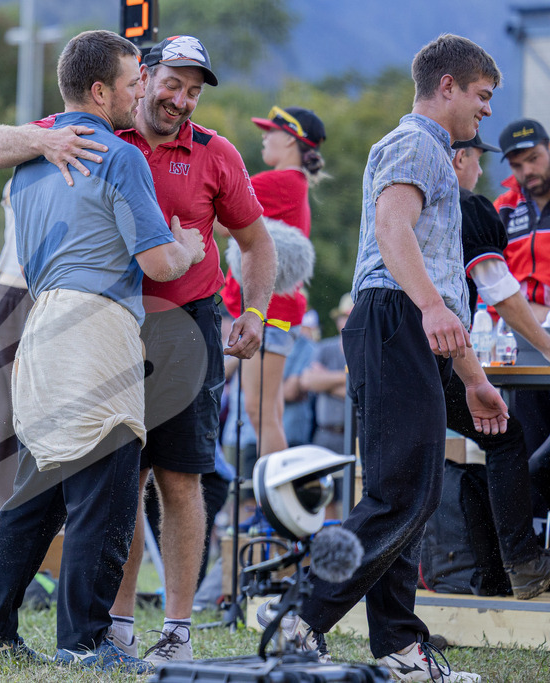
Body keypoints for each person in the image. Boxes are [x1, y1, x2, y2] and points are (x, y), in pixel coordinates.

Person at [0, 33, 276, 663]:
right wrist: (190, 251)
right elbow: (160, 261)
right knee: (107, 495)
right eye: (148, 82)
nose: (162, 95)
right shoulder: (110, 152)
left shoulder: (40, 155)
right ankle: (88, 644)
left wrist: (252, 308)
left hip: (48, 320)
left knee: (42, 486)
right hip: (102, 326)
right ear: (106, 90)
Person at [264, 35, 506, 682]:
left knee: (406, 491)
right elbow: (394, 232)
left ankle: (399, 642)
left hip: (403, 320)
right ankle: (300, 615)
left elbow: (442, 282)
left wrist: (475, 379)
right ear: (448, 85)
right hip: (396, 315)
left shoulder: (429, 149)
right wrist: (427, 308)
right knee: (405, 491)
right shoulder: (416, 143)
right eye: (482, 97)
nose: (485, 113)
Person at [443, 131, 550, 597]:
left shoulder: (400, 201)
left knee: (403, 472)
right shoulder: (476, 206)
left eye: (532, 158)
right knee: (508, 442)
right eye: (482, 161)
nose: (484, 172)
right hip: (453, 349)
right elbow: (500, 291)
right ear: (460, 158)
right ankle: (524, 566)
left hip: (383, 341)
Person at [221, 104, 326, 470]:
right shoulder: (292, 183)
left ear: (292, 139)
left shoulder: (278, 181)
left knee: (259, 410)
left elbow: (220, 220)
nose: (265, 135)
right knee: (269, 411)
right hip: (277, 313)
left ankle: (274, 510)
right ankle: (276, 509)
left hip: (269, 312)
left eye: (271, 130)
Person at [0, 179, 34, 509]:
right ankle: (1, 505)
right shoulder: (24, 172)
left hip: (64, 290)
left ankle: (54, 506)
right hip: (13, 287)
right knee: (0, 404)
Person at [495, 118, 550, 455]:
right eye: (517, 165)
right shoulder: (503, 208)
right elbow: (489, 276)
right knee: (529, 451)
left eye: (534, 158)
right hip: (522, 345)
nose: (527, 170)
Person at [300, 295, 352, 454]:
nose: (348, 322)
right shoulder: (324, 348)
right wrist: (350, 380)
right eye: (345, 317)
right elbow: (307, 381)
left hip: (356, 435)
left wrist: (325, 381)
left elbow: (364, 394)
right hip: (325, 435)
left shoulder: (368, 351)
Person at [282, 309, 319, 448]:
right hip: (272, 430)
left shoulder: (307, 346)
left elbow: (290, 391)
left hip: (293, 432)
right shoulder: (279, 340)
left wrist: (264, 391)